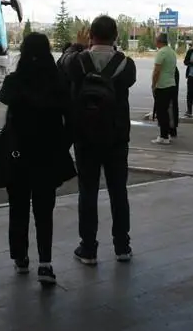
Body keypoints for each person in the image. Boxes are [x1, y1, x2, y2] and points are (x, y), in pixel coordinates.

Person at [58, 16, 136, 265]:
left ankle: (88, 248)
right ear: (115, 36)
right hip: (116, 138)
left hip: (85, 137)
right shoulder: (127, 64)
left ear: (90, 35)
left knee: (88, 192)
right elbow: (127, 84)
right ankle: (122, 246)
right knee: (118, 191)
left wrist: (76, 46)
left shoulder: (78, 62)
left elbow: (62, 67)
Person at [0, 32, 72, 285]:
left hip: (18, 154)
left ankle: (20, 258)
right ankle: (45, 263)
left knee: (18, 207)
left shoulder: (15, 81)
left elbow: (3, 98)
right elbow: (68, 116)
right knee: (44, 210)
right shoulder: (58, 81)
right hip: (47, 155)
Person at [151, 33, 178, 145]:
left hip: (162, 86)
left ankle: (164, 137)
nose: (155, 42)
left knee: (161, 112)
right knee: (166, 111)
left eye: (156, 40)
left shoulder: (161, 52)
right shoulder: (171, 52)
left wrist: (153, 84)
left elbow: (157, 71)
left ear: (159, 41)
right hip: (171, 84)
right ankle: (166, 134)